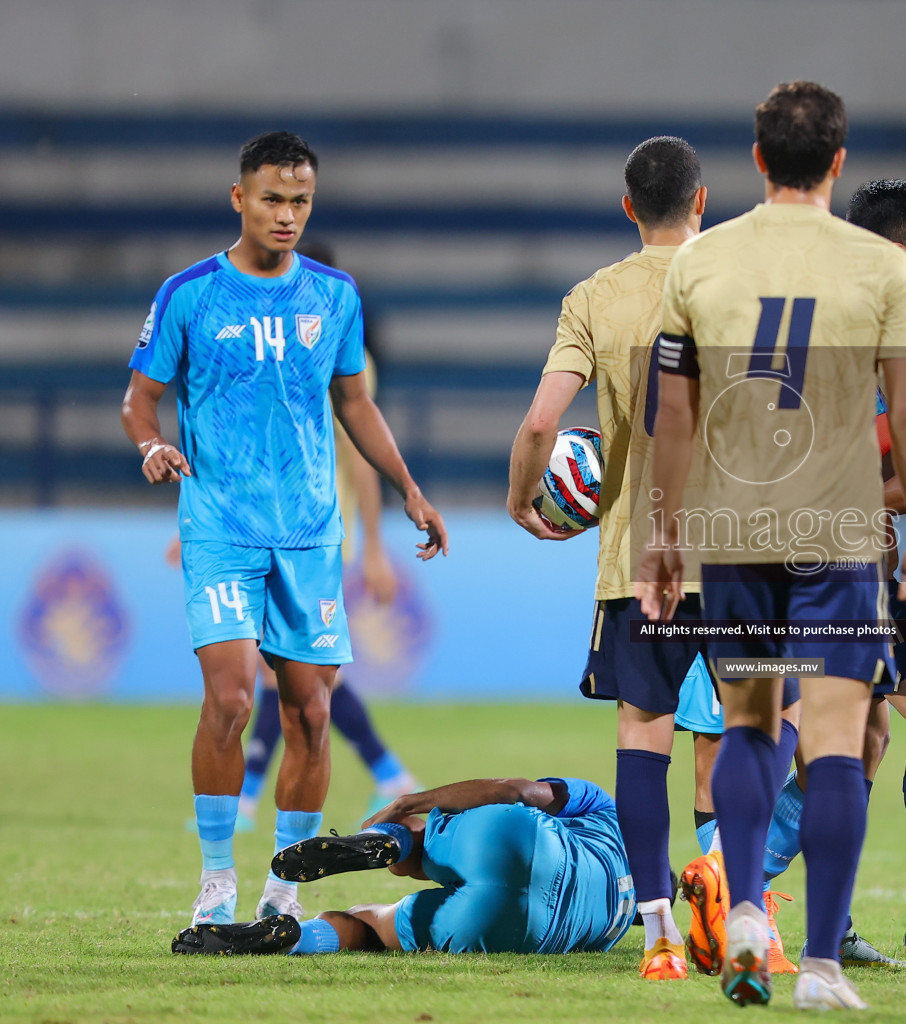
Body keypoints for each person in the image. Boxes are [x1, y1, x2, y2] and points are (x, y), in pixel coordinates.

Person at [637, 81, 906, 1010]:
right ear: (839, 163)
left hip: (736, 526)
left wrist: (664, 531)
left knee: (750, 723)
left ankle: (743, 917)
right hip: (838, 527)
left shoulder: (701, 262)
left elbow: (674, 412)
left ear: (759, 158)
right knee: (841, 739)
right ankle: (820, 967)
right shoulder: (882, 268)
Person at [120, 131, 448, 930]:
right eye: (272, 198)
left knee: (310, 714)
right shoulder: (190, 293)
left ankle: (284, 888)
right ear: (240, 198)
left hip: (308, 532)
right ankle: (214, 880)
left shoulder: (335, 295)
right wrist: (153, 444)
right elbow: (139, 399)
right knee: (231, 699)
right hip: (221, 525)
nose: (287, 214)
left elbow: (356, 403)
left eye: (300, 201)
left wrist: (408, 487)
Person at [504, 137, 803, 981]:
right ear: (703, 200)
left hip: (642, 561)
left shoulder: (594, 298)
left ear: (629, 207)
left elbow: (538, 424)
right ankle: (738, 897)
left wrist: (521, 497)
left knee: (644, 736)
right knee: (774, 722)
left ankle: (660, 935)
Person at [747, 178, 906, 970]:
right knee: (847, 731)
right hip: (838, 562)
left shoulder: (791, 296)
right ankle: (739, 881)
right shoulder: (884, 309)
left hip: (781, 545)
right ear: (898, 249)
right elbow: (903, 427)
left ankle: (838, 912)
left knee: (874, 729)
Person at [233, 238, 419, 831]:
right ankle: (386, 773)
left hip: (311, 530)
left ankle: (248, 793)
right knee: (292, 668)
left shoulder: (339, 349)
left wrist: (373, 547)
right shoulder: (268, 346)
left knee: (289, 668)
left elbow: (359, 457)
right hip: (267, 525)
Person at [171, 775, 635, 957]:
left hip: (524, 842)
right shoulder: (615, 931)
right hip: (526, 928)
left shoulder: (611, 816)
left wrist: (414, 801)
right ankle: (292, 938)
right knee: (371, 927)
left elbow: (518, 792)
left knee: (420, 833)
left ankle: (383, 842)